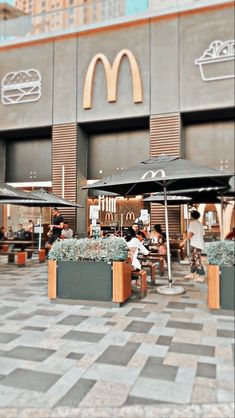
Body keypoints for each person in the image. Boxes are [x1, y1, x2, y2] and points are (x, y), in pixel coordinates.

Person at [180, 210, 206, 282]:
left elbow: (191, 233)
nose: (189, 216)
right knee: (192, 259)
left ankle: (201, 276)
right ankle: (192, 274)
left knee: (196, 260)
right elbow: (203, 233)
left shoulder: (192, 223)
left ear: (192, 216)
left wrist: (183, 241)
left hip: (196, 244)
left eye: (190, 215)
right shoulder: (199, 223)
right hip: (197, 244)